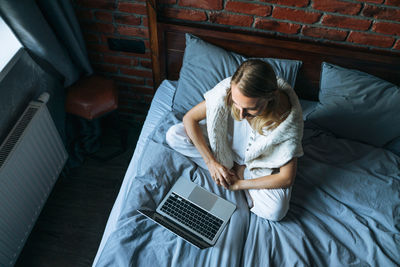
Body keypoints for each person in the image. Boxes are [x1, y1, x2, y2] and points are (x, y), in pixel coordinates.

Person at [166, 59, 304, 221]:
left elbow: (286, 178)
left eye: (250, 109)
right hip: (226, 148)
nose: (240, 115)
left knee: (276, 211)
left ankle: (237, 174)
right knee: (174, 135)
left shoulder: (287, 120)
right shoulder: (228, 91)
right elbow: (189, 118)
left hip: (256, 167)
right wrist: (211, 162)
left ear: (270, 98)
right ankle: (225, 170)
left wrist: (239, 184)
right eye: (237, 105)